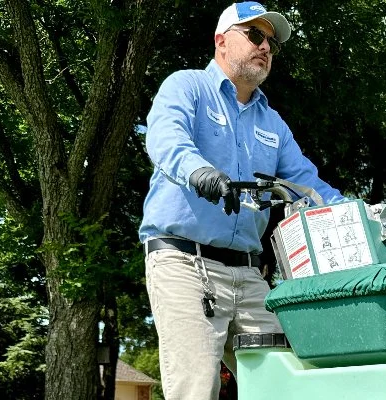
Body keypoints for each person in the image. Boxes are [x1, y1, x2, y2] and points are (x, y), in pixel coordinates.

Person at [139, 2, 345, 398]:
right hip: (184, 263)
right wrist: (199, 171)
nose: (265, 46)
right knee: (197, 388)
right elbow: (165, 138)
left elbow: (308, 186)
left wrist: (357, 215)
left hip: (252, 277)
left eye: (271, 42)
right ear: (221, 40)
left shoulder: (273, 123)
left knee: (288, 384)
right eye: (254, 35)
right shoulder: (187, 86)